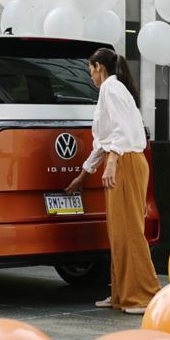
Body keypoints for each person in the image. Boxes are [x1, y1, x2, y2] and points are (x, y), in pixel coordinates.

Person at [65, 47, 160, 315]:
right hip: (122, 160)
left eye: (90, 70)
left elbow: (122, 131)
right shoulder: (112, 89)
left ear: (98, 67)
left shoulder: (111, 89)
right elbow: (104, 140)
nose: (90, 76)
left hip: (126, 162)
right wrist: (85, 173)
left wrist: (112, 163)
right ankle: (122, 293)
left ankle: (143, 295)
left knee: (129, 230)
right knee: (119, 232)